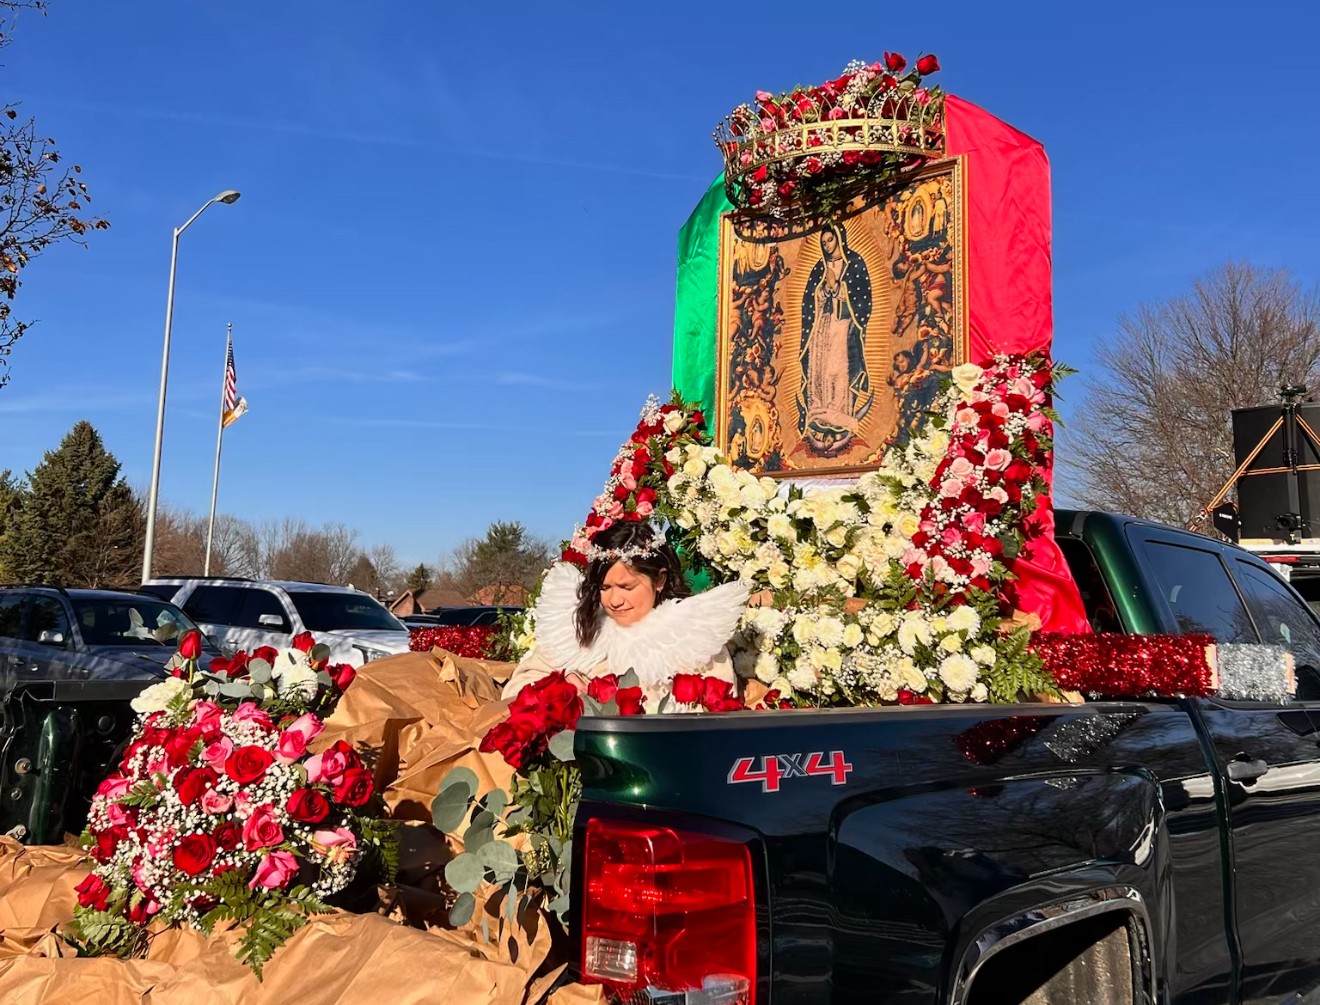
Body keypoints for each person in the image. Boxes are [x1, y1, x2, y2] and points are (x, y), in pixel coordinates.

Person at [501, 522, 750, 709]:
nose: (615, 600)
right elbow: (516, 689)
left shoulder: (693, 634)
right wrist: (562, 688)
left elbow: (720, 706)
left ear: (659, 580)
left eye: (627, 587)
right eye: (604, 588)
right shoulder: (580, 627)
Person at [796, 222, 874, 457]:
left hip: (843, 325)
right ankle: (818, 409)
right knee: (818, 367)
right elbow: (809, 301)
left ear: (840, 239)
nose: (827, 245)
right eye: (823, 242)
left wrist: (839, 288)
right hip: (822, 324)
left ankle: (839, 410)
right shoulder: (819, 267)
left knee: (837, 368)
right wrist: (823, 290)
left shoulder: (855, 263)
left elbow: (864, 299)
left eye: (830, 240)